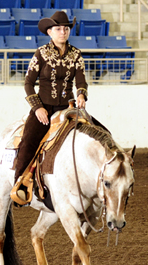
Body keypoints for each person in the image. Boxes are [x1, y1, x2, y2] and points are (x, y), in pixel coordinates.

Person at [13, 11, 107, 203]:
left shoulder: (76, 55)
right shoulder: (40, 54)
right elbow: (28, 83)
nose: (63, 32)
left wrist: (81, 94)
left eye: (66, 28)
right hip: (44, 108)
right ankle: (20, 185)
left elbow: (81, 81)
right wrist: (37, 108)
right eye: (58, 29)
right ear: (49, 32)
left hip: (68, 108)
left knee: (103, 133)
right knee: (29, 141)